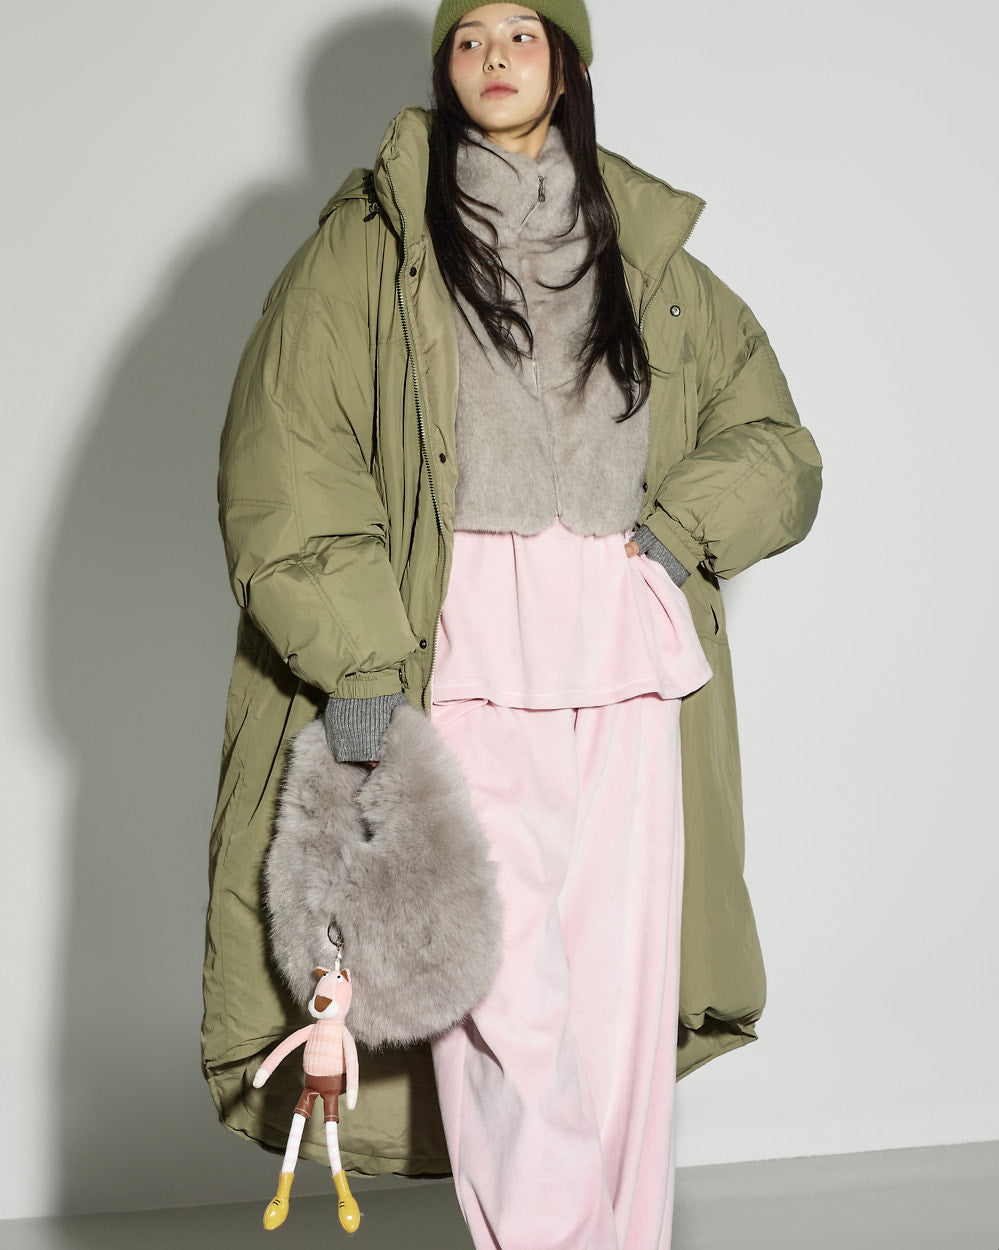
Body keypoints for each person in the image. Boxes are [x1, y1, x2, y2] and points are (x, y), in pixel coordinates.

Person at [201, 3, 822, 1247]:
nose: (494, 57)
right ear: (444, 66)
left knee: (617, 1011)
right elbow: (286, 459)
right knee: (504, 1002)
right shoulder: (371, 246)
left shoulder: (646, 250)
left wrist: (675, 532)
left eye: (522, 35)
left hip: (624, 660)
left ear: (567, 65)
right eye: (469, 36)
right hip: (456, 655)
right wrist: (359, 657)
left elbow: (777, 445)